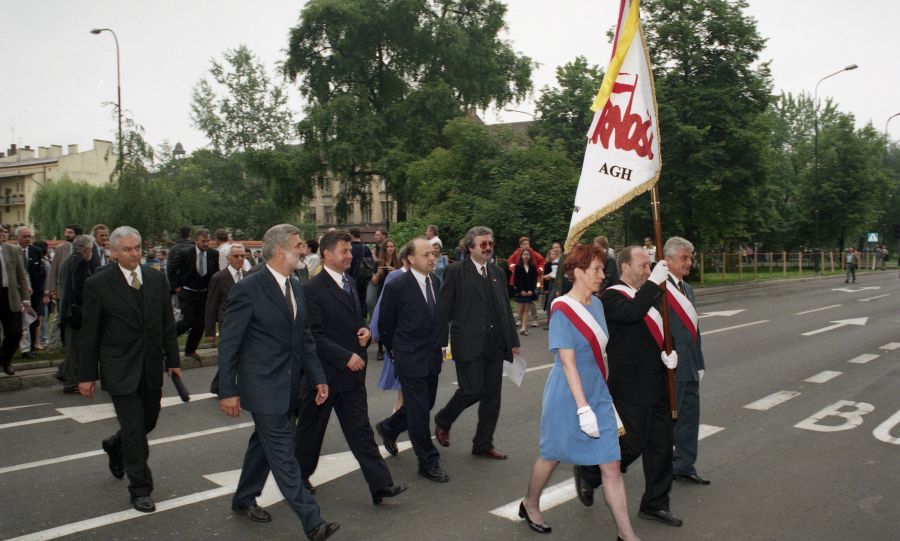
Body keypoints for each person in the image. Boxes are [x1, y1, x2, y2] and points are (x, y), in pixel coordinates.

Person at [217, 224, 340, 541]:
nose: (304, 250)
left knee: (264, 445)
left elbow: (305, 338)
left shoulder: (297, 284)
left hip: (288, 385)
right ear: (279, 249)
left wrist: (318, 378)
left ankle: (243, 498)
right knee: (284, 453)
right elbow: (229, 344)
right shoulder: (249, 288)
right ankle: (313, 522)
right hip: (261, 385)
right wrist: (228, 390)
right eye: (299, 245)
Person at [520, 243, 640, 541]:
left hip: (598, 393)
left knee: (611, 464)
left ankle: (626, 535)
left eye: (602, 268)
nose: (603, 274)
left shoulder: (597, 305)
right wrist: (583, 408)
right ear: (577, 272)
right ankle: (530, 503)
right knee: (552, 455)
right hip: (568, 397)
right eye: (597, 269)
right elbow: (568, 363)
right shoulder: (561, 309)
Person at [573, 246, 683, 527]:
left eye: (650, 266)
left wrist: (670, 353)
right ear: (625, 267)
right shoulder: (610, 297)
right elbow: (633, 313)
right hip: (631, 386)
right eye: (643, 265)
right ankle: (590, 472)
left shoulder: (650, 294)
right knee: (631, 444)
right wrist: (653, 284)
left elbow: (662, 329)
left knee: (661, 446)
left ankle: (655, 503)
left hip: (658, 380)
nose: (648, 270)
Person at [296, 229, 407, 505]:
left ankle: (381, 485)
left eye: (349, 250)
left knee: (361, 432)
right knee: (310, 433)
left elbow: (356, 320)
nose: (349, 255)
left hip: (351, 378)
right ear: (326, 254)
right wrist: (345, 356)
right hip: (322, 376)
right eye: (344, 251)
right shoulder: (311, 289)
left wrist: (365, 331)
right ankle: (298, 478)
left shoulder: (348, 281)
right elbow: (313, 334)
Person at [77, 226, 181, 513]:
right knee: (135, 431)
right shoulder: (98, 285)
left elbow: (166, 323)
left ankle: (114, 444)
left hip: (149, 366)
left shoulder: (156, 278)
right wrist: (86, 375)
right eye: (127, 249)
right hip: (118, 368)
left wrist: (172, 360)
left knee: (148, 421)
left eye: (137, 247)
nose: (135, 254)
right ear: (113, 252)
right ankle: (141, 489)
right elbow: (89, 334)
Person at [434, 226, 520, 460]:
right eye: (483, 244)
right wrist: (441, 343)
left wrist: (513, 340)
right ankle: (443, 419)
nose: (488, 248)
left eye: (490, 243)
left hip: (495, 344)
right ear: (470, 246)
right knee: (472, 390)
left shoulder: (497, 272)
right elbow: (443, 310)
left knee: (492, 397)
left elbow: (504, 310)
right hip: (468, 343)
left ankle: (483, 443)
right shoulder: (455, 271)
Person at [375, 237, 448, 482]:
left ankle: (389, 427)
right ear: (410, 259)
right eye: (426, 254)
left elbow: (438, 318)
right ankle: (428, 461)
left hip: (432, 357)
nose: (432, 258)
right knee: (419, 412)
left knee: (424, 405)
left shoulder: (435, 282)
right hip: (409, 358)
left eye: (433, 254)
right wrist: (395, 349)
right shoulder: (397, 285)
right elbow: (385, 323)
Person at [665, 236, 710, 485]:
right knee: (665, 422)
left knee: (690, 418)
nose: (689, 262)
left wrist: (699, 362)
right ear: (668, 260)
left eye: (690, 257)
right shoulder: (659, 289)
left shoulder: (687, 288)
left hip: (690, 365)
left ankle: (684, 464)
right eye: (684, 257)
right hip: (670, 366)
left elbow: (695, 331)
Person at [169, 228, 219, 360]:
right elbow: (171, 268)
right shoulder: (185, 253)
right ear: (196, 241)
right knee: (188, 320)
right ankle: (167, 338)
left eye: (208, 241)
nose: (206, 244)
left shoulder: (213, 254)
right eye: (203, 241)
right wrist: (176, 286)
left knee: (201, 323)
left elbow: (215, 273)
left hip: (203, 293)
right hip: (187, 292)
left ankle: (190, 349)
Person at [370, 246, 409, 412]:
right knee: (404, 384)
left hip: (417, 337)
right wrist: (375, 330)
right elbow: (382, 305)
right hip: (400, 336)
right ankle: (396, 418)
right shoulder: (395, 276)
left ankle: (402, 416)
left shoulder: (424, 277)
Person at [204, 243, 246, 394]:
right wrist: (209, 331)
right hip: (227, 324)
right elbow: (211, 305)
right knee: (228, 355)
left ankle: (220, 385)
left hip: (246, 324)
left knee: (241, 355)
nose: (239, 259)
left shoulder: (248, 276)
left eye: (242, 256)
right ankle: (220, 386)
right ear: (228, 258)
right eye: (236, 256)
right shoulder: (219, 277)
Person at [57, 234, 94, 393]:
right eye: (90, 249)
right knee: (75, 348)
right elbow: (80, 288)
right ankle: (71, 382)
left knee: (72, 345)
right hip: (75, 311)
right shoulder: (81, 262)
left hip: (66, 309)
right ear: (86, 249)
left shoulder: (68, 261)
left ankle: (63, 372)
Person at [0, 225, 30, 375]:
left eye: (4, 232)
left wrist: (25, 299)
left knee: (16, 332)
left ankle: (5, 359)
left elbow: (21, 276)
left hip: (10, 296)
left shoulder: (12, 250)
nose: (2, 234)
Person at [17, 226, 46, 359]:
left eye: (30, 236)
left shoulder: (36, 251)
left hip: (34, 292)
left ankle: (32, 347)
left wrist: (42, 291)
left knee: (33, 319)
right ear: (18, 237)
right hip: (17, 292)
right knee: (20, 320)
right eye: (25, 236)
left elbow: (41, 272)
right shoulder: (13, 251)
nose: (28, 239)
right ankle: (22, 346)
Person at [369, 237, 400, 358]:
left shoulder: (398, 261)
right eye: (388, 247)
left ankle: (392, 345)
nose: (390, 249)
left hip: (395, 294)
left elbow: (404, 275)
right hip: (382, 292)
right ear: (384, 249)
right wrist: (378, 274)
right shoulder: (378, 263)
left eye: (392, 246)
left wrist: (395, 271)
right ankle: (380, 348)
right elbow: (374, 281)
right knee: (382, 319)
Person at [348, 227, 374, 317]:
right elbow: (371, 263)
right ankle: (362, 317)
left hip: (350, 277)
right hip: (363, 278)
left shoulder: (350, 248)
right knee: (362, 299)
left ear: (351, 235)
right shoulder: (365, 248)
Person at [514, 248, 539, 335]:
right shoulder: (518, 267)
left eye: (528, 254)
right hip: (521, 291)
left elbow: (534, 279)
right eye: (524, 254)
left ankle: (524, 328)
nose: (526, 256)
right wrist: (521, 290)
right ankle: (521, 325)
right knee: (521, 309)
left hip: (529, 292)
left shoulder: (533, 266)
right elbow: (517, 280)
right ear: (521, 256)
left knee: (526, 309)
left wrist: (531, 290)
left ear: (530, 256)